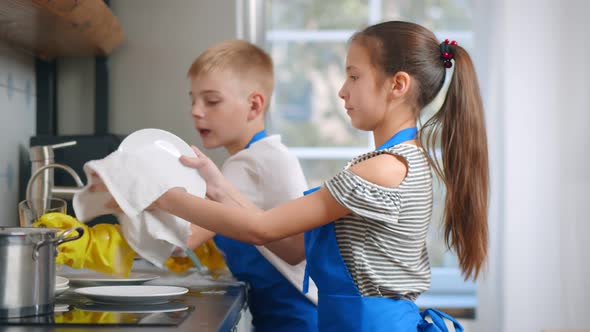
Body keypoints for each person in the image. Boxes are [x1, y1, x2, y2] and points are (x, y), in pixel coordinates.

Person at [95, 21, 488, 331]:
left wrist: (163, 195)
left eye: (353, 76)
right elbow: (292, 247)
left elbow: (262, 230)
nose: (341, 90)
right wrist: (219, 186)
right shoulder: (398, 161)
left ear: (397, 85)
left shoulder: (381, 169)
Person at [179, 39, 318, 331]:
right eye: (193, 99)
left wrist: (127, 194)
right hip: (286, 315)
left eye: (211, 100)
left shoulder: (250, 164)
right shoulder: (264, 155)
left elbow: (184, 238)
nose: (196, 110)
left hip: (295, 318)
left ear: (254, 105)